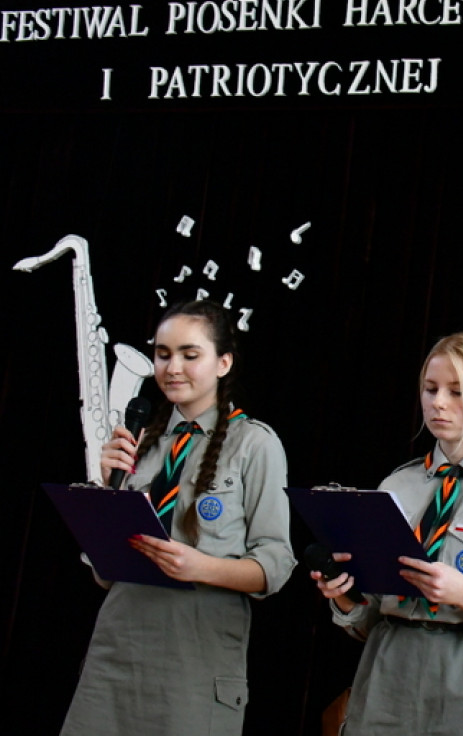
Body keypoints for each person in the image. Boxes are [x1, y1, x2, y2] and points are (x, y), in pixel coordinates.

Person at [61, 300, 296, 736]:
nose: (172, 368)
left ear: (223, 363)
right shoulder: (138, 441)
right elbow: (104, 577)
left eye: (190, 355)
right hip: (117, 654)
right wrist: (106, 493)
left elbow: (276, 565)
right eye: (163, 354)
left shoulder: (254, 443)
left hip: (195, 661)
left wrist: (200, 566)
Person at [312, 331, 463, 735]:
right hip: (384, 683)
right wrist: (344, 595)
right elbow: (370, 620)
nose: (438, 402)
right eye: (430, 389)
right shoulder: (397, 485)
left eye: (457, 391)